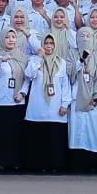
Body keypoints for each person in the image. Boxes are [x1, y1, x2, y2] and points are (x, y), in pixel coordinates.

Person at [22, 33, 74, 171]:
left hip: (55, 106)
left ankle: (55, 165)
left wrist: (65, 104)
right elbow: (29, 74)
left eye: (52, 44)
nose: (49, 46)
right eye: (46, 43)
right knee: (39, 138)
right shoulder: (35, 60)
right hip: (38, 105)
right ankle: (38, 165)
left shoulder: (61, 62)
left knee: (54, 138)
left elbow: (65, 85)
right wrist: (39, 57)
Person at [67, 20, 97, 170]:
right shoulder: (72, 54)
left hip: (94, 100)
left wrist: (96, 97)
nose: (85, 39)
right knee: (78, 130)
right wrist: (80, 61)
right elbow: (69, 73)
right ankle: (78, 162)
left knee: (93, 130)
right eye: (82, 36)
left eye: (88, 35)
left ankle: (94, 162)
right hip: (77, 98)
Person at [0, 29, 29, 171]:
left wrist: (22, 93)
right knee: (0, 133)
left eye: (13, 37)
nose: (10, 40)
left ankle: (14, 161)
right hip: (0, 101)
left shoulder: (22, 57)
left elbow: (27, 78)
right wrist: (1, 59)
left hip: (16, 101)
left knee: (14, 133)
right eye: (7, 37)